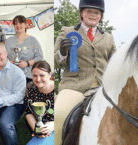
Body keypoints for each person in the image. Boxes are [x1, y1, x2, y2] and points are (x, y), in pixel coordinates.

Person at [54, 0, 116, 144]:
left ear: (101, 16)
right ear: (81, 13)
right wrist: (62, 52)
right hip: (73, 86)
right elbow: (55, 61)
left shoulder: (108, 38)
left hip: (101, 89)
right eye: (89, 11)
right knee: (58, 114)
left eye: (96, 12)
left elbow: (114, 63)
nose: (93, 15)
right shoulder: (67, 32)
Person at [5, 15, 43, 84]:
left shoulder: (33, 40)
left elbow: (39, 57)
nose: (18, 25)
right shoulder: (8, 41)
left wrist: (27, 63)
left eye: (20, 23)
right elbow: (3, 57)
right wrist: (8, 63)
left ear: (25, 25)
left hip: (28, 77)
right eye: (16, 23)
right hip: (11, 76)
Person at [24, 60, 54, 145]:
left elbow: (66, 115)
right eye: (35, 76)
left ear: (50, 74)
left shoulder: (58, 89)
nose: (38, 79)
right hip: (39, 128)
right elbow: (28, 112)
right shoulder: (30, 87)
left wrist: (52, 126)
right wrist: (36, 130)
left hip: (56, 128)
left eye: (42, 75)